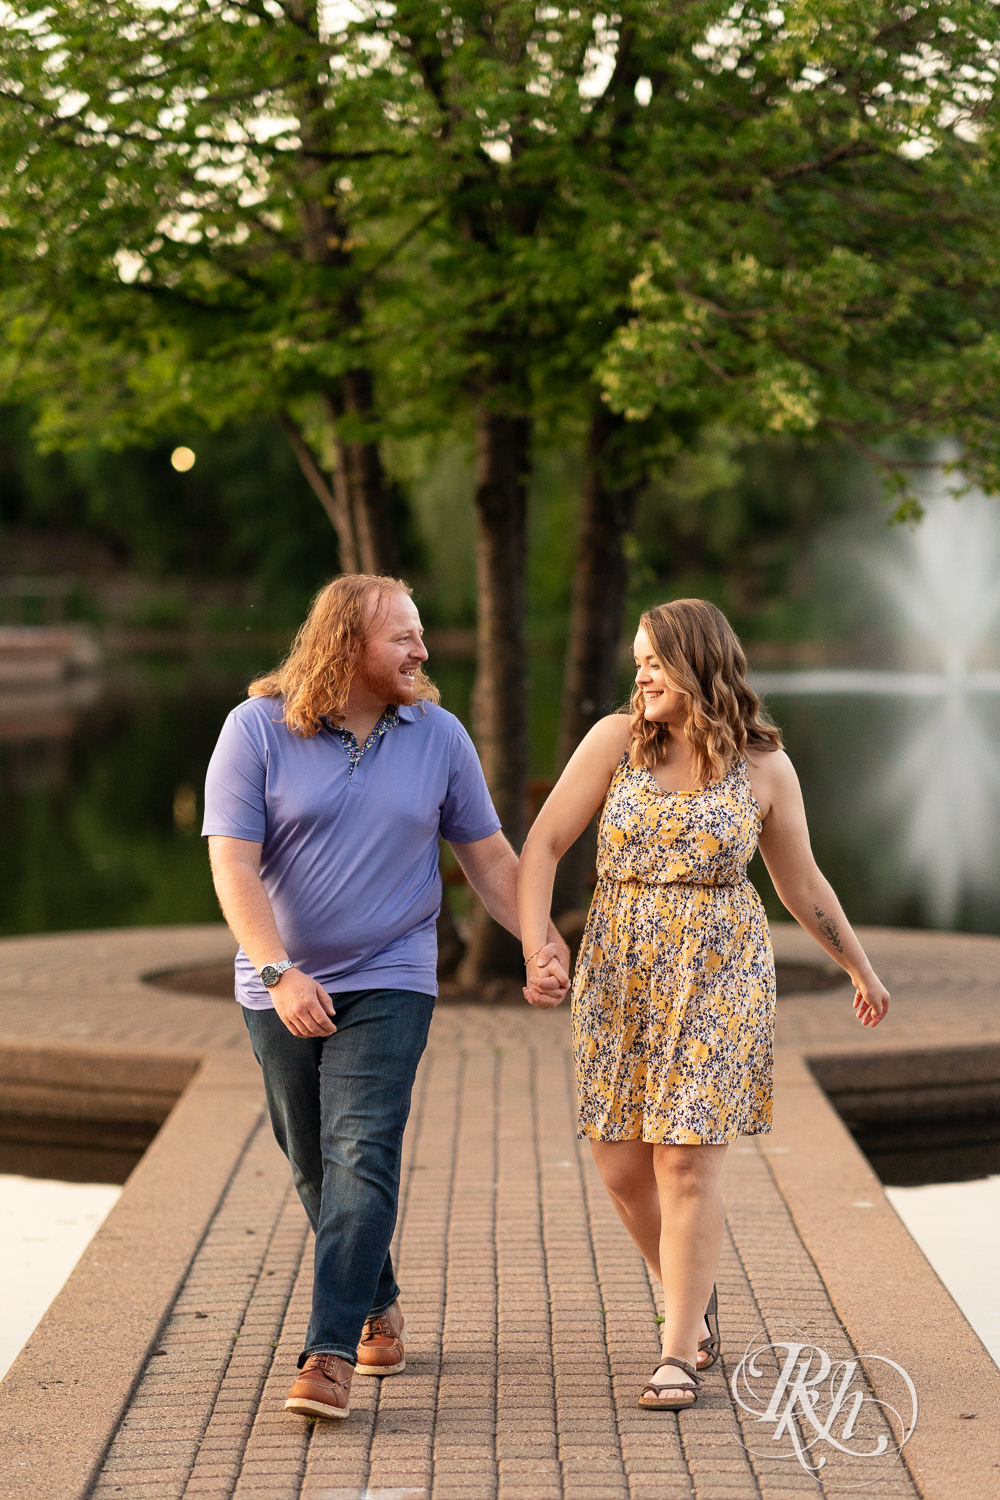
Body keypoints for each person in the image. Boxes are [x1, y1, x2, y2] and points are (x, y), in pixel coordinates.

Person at [202, 573, 569, 1421]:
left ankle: (326, 1353)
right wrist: (277, 972)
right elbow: (233, 863)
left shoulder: (437, 735)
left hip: (393, 972)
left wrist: (542, 944)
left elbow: (488, 860)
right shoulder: (256, 728)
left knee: (362, 1148)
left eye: (420, 634)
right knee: (313, 1161)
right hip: (277, 978)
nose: (423, 649)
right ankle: (377, 1299)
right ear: (347, 645)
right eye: (403, 636)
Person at [517, 598, 889, 1412]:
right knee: (620, 1164)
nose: (640, 674)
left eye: (654, 660)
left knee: (685, 1160)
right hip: (618, 973)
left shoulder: (764, 768)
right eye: (638, 660)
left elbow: (801, 883)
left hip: (720, 980)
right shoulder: (616, 743)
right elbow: (542, 845)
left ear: (698, 663)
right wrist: (536, 942)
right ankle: (687, 1287)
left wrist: (858, 967)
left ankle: (678, 1349)